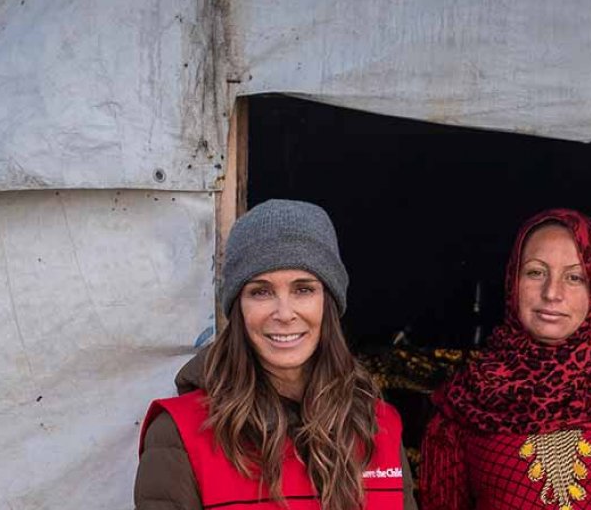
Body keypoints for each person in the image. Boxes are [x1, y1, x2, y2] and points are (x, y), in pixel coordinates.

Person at [135, 199, 415, 510]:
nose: (284, 313)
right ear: (238, 308)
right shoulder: (179, 433)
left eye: (303, 289)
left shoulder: (378, 425)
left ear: (329, 303)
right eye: (261, 291)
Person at [419, 208, 591, 510]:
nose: (552, 292)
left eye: (575, 277)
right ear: (512, 281)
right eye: (535, 272)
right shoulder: (468, 397)